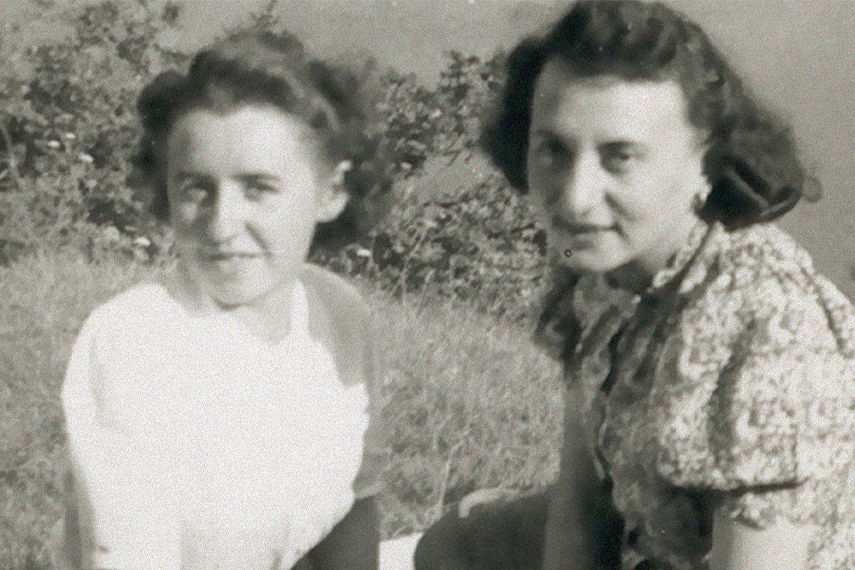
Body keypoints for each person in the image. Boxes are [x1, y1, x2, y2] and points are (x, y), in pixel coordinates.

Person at [414, 1, 855, 569]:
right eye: (553, 149)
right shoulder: (602, 259)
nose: (576, 198)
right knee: (456, 548)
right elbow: (583, 502)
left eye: (620, 156)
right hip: (655, 537)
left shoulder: (768, 321)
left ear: (705, 163)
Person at [52, 29, 391, 570]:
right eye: (196, 188)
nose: (221, 225)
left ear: (331, 192)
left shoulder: (340, 313)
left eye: (258, 188)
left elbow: (355, 503)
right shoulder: (133, 344)